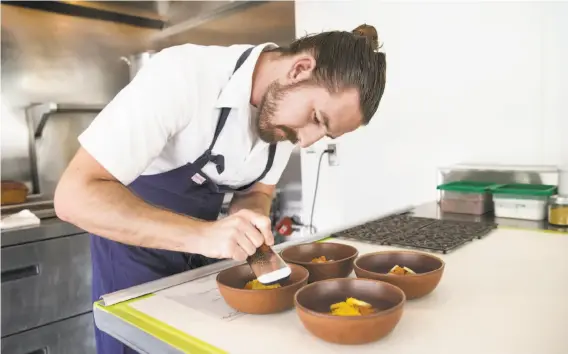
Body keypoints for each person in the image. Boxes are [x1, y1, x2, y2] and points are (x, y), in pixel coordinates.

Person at [54, 24, 386, 353]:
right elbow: (73, 196)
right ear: (299, 70)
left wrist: (251, 218)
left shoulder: (284, 122)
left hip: (201, 260)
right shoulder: (182, 76)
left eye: (325, 135)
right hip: (134, 256)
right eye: (316, 118)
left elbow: (257, 192)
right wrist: (203, 236)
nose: (306, 140)